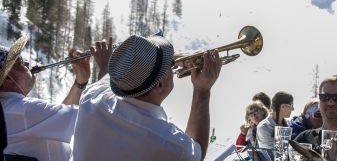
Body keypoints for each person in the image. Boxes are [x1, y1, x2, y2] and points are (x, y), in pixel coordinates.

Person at [72, 34, 222, 161]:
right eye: (169, 65)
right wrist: (202, 90)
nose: (172, 66)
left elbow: (115, 73)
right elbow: (197, 152)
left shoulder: (92, 95)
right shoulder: (170, 145)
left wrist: (174, 59)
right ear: (159, 86)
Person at [0, 35, 112, 161]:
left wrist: (80, 84)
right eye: (19, 61)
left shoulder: (10, 110)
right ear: (8, 78)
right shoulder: (23, 111)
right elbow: (93, 120)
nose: (26, 63)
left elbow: (58, 117)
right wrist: (106, 70)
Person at [257, 91, 294, 158]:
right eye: (291, 105)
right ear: (283, 106)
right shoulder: (263, 127)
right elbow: (275, 154)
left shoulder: (288, 124)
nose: (293, 109)